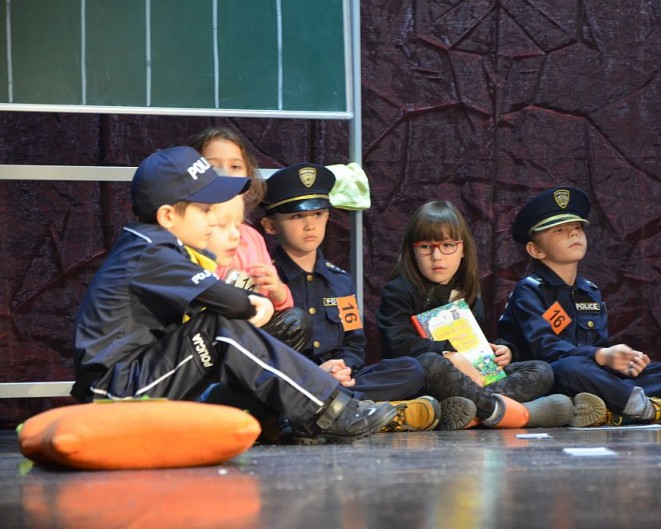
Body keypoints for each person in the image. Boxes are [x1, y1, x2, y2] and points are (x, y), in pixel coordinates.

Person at [71, 146, 397, 445]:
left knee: (251, 331)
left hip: (143, 377)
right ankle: (327, 412)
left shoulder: (153, 246)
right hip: (115, 389)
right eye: (205, 210)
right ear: (168, 216)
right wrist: (254, 304)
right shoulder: (149, 249)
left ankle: (310, 412)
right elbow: (228, 301)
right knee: (217, 329)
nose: (213, 219)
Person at [496, 186, 661, 426]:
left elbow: (598, 346)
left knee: (660, 373)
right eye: (560, 230)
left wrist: (622, 361)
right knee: (568, 368)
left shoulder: (589, 291)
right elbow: (547, 349)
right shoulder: (529, 290)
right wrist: (601, 356)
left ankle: (605, 412)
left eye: (577, 227)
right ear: (536, 250)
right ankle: (651, 410)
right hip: (550, 377)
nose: (573, 233)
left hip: (588, 377)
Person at [260, 163, 458, 432]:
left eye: (318, 214)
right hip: (295, 380)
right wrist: (317, 372)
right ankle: (366, 411)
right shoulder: (267, 279)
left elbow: (354, 343)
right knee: (278, 394)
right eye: (296, 217)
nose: (309, 225)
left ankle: (341, 410)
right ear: (270, 226)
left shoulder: (340, 281)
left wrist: (343, 368)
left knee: (411, 369)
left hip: (342, 381)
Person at [377, 200, 585, 429]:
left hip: (473, 378)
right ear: (412, 251)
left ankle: (469, 413)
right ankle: (514, 413)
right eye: (426, 247)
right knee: (429, 363)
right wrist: (448, 353)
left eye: (447, 245)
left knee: (541, 370)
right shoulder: (398, 290)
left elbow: (476, 343)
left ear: (463, 249)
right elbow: (397, 344)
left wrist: (502, 352)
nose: (437, 256)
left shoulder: (468, 289)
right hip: (432, 379)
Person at [186, 127, 310, 350]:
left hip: (249, 333)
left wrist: (277, 290)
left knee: (296, 321)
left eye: (235, 167)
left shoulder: (252, 238)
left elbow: (279, 307)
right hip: (203, 337)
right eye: (213, 166)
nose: (225, 174)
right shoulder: (188, 230)